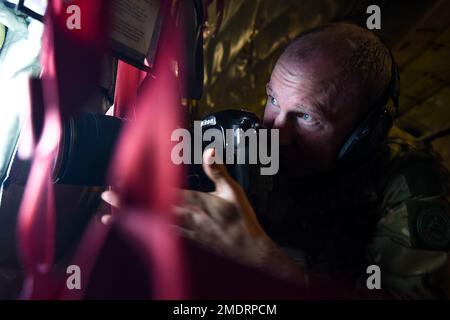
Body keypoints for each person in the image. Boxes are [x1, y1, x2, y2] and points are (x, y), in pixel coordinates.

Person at [175, 22, 450, 299]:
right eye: (273, 99)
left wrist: (264, 260)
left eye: (306, 117)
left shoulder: (412, 182)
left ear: (362, 136)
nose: (276, 133)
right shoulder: (249, 143)